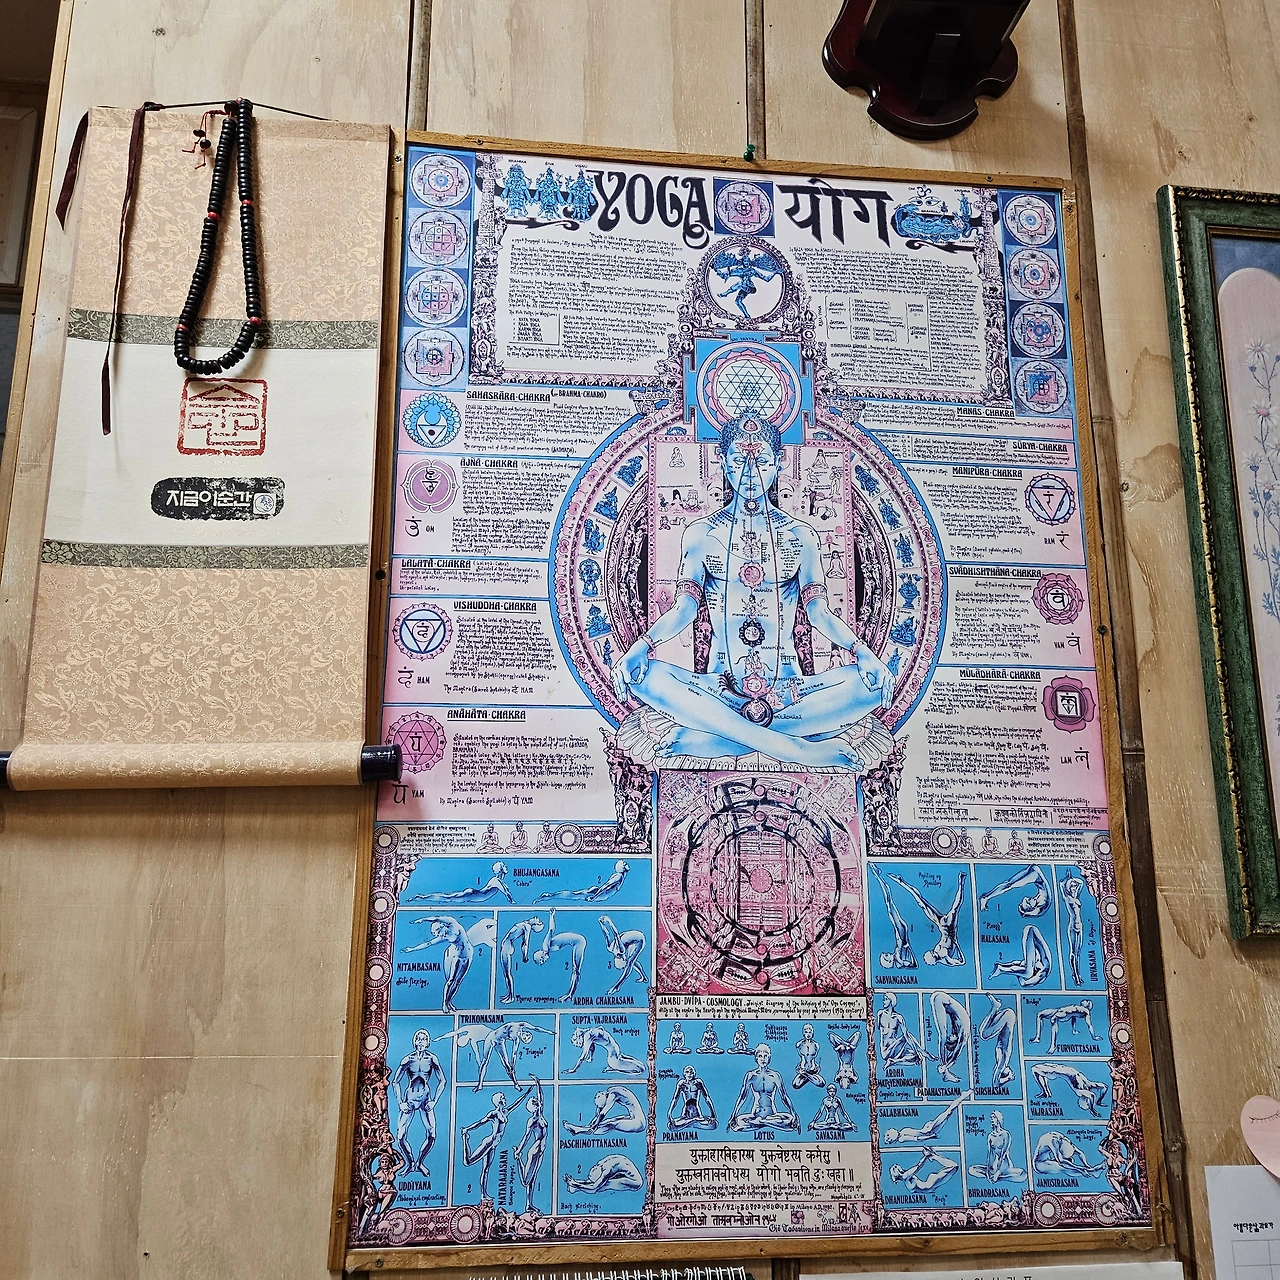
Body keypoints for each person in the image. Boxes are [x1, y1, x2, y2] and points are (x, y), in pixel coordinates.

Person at [611, 413, 895, 770]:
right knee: (644, 676)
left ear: (778, 462)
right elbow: (684, 610)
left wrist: (862, 652)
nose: (750, 472)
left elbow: (819, 614)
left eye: (760, 460)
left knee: (871, 685)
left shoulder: (801, 535)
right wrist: (641, 646)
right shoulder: (701, 534)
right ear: (723, 462)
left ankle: (715, 739)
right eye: (738, 460)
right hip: (719, 688)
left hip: (789, 691)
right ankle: (800, 749)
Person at [880, 870, 968, 966]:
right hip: (950, 929)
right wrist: (956, 944)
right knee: (955, 908)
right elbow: (962, 961)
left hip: (941, 925)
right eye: (933, 953)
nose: (933, 952)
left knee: (922, 903)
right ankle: (961, 883)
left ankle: (902, 882)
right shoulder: (946, 960)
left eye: (932, 952)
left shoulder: (937, 952)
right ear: (934, 959)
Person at [391, 1029, 447, 1174]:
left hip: (425, 1099)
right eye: (419, 1039)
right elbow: (395, 1082)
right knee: (400, 1137)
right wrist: (400, 1103)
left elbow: (442, 1081)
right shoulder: (408, 1060)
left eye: (424, 1039)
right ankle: (410, 1163)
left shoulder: (432, 1059)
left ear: (428, 1042)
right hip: (410, 1099)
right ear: (414, 1042)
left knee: (432, 1135)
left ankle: (420, 1163)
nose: (421, 1041)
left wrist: (434, 1101)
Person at [403, 915, 474, 1013]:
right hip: (458, 956)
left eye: (438, 933)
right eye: (437, 935)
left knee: (458, 981)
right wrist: (412, 949)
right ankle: (445, 1003)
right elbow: (428, 943)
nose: (440, 936)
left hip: (468, 954)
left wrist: (423, 919)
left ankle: (449, 1001)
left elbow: (436, 918)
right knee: (451, 980)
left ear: (441, 927)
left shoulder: (453, 924)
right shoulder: (444, 936)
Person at [461, 1089, 520, 1199]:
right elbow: (480, 1123)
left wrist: (527, 1093)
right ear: (498, 1101)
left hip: (494, 1145)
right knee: (468, 1162)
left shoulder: (505, 1112)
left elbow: (516, 1103)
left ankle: (483, 1194)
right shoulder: (493, 1114)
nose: (505, 1099)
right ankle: (465, 1139)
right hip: (489, 1143)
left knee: (486, 1169)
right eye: (503, 1098)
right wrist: (467, 1129)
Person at [728, 1044, 800, 1132]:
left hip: (772, 1115)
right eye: (760, 1056)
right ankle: (765, 1122)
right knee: (739, 1121)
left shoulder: (775, 1075)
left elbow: (784, 1097)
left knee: (789, 1118)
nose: (763, 1059)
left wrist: (794, 1114)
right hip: (756, 1115)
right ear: (756, 1058)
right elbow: (743, 1097)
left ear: (769, 1058)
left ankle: (761, 1122)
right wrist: (734, 1114)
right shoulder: (751, 1075)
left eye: (765, 1056)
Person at [470, 1021, 553, 1091]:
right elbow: (535, 1028)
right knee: (484, 1061)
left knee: (507, 1066)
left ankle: (516, 1084)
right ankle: (480, 1085)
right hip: (491, 1037)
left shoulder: (516, 1039)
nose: (526, 1037)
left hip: (499, 1042)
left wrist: (512, 1066)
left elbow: (514, 1054)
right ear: (527, 1032)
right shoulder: (521, 1025)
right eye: (528, 1036)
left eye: (525, 1039)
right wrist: (548, 1032)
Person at [532, 909, 586, 1000]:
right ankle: (570, 994)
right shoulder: (548, 950)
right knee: (575, 969)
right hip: (576, 942)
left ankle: (570, 995)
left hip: (579, 942)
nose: (544, 961)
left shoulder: (545, 947)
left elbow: (551, 930)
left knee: (576, 970)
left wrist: (551, 916)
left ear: (541, 956)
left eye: (542, 961)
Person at [512, 1078, 548, 1214]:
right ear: (533, 1107)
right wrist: (519, 1150)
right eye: (535, 1102)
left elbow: (541, 1096)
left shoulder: (541, 1115)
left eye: (537, 1102)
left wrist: (538, 1083)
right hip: (534, 1151)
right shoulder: (532, 1121)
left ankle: (529, 1205)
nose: (538, 1102)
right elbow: (526, 1137)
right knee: (525, 1181)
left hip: (540, 1151)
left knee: (533, 1179)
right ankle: (518, 1159)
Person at [871, 863, 917, 970]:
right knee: (889, 904)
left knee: (889, 904)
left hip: (901, 932)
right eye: (886, 956)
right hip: (901, 933)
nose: (887, 953)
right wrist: (905, 956)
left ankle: (879, 877)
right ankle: (878, 877)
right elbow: (914, 965)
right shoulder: (899, 962)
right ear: (889, 961)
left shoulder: (897, 959)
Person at [410, 860, 514, 905]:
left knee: (448, 898)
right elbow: (506, 892)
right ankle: (422, 897)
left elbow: (506, 889)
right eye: (504, 866)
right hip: (472, 894)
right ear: (500, 869)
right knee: (448, 898)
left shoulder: (497, 881)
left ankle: (422, 897)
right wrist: (512, 901)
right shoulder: (496, 881)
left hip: (473, 894)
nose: (506, 867)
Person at [882, 1093, 969, 1145]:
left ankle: (962, 1096)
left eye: (888, 1134)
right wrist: (930, 1137)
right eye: (889, 1137)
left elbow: (918, 1135)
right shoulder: (901, 1139)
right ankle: (962, 1097)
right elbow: (917, 1139)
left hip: (928, 1129)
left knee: (948, 1112)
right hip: (929, 1131)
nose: (890, 1132)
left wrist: (930, 1135)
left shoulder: (902, 1132)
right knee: (948, 1113)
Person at [967, 1110, 1026, 1183]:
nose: (991, 1119)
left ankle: (1000, 1177)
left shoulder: (1005, 1134)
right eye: (991, 1118)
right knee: (971, 1169)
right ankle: (995, 1177)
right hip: (993, 1166)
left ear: (998, 1119)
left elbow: (1003, 1155)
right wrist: (988, 1172)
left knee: (1022, 1174)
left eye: (994, 1117)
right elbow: (990, 1155)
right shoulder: (990, 1136)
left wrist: (997, 1173)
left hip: (1004, 1165)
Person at [1030, 1063, 1109, 1117]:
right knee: (1036, 1068)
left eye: (1088, 1104)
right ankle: (1045, 1092)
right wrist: (1098, 1102)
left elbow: (1092, 1096)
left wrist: (1092, 1109)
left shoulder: (1079, 1092)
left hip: (1057, 1071)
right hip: (1062, 1068)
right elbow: (1104, 1087)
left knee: (1035, 1069)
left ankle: (1045, 1092)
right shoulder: (1089, 1086)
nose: (1091, 1103)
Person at [565, 1025, 646, 1076]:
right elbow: (592, 1046)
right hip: (616, 1054)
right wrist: (591, 1057)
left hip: (614, 1059)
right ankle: (614, 1068)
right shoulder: (592, 1031)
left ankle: (614, 1069)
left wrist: (573, 1070)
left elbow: (583, 1057)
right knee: (641, 1068)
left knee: (641, 1069)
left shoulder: (587, 1036)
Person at [565, 1086, 648, 1135]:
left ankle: (579, 1130)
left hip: (639, 1124)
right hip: (633, 1118)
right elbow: (599, 1112)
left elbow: (603, 1113)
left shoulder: (613, 1094)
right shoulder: (609, 1091)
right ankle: (582, 1129)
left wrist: (595, 1125)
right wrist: (594, 1122)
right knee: (608, 1121)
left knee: (611, 1124)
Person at [535, 860, 630, 903]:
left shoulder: (620, 876)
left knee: (575, 894)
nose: (627, 865)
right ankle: (549, 896)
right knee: (574, 895)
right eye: (625, 864)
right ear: (621, 867)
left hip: (599, 894)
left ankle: (550, 895)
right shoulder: (619, 876)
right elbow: (605, 886)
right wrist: (594, 898)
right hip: (599, 894)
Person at [989, 924, 1053, 987]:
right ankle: (1001, 970)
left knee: (1027, 971)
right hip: (1031, 932)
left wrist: (1003, 965)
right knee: (1028, 973)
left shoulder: (1035, 965)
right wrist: (1018, 974)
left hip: (1031, 932)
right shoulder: (1042, 972)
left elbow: (1015, 964)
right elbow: (1024, 984)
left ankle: (1000, 968)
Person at [499, 916, 544, 1004]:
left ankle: (511, 997)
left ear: (535, 925)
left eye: (538, 921)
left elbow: (525, 943)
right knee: (506, 974)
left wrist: (525, 956)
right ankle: (508, 994)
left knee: (508, 974)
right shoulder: (525, 924)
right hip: (506, 947)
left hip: (507, 948)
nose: (536, 918)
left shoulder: (527, 927)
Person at [976, 993, 1017, 1087]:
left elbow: (995, 1083)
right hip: (1008, 1017)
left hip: (1008, 1017)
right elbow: (996, 1081)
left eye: (1009, 1072)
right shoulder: (1003, 1060)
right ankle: (995, 1007)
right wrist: (1008, 1077)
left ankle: (995, 1007)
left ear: (1004, 1072)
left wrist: (1009, 1078)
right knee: (983, 1034)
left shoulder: (1002, 1062)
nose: (1011, 1070)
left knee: (983, 1034)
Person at [599, 915, 648, 993]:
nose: (625, 958)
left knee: (630, 962)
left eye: (624, 960)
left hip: (639, 939)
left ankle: (617, 987)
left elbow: (616, 934)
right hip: (633, 938)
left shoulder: (621, 950)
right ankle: (644, 977)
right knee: (631, 961)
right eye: (625, 960)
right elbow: (606, 934)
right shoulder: (610, 948)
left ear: (621, 958)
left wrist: (609, 921)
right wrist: (602, 924)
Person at [979, 865, 1051, 918]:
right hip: (1035, 874)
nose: (1031, 898)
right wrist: (1024, 913)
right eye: (1029, 901)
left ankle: (986, 897)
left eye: (1028, 900)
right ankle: (985, 897)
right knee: (1008, 885)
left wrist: (1023, 911)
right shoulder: (1041, 907)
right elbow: (1034, 913)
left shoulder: (1039, 903)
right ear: (1033, 908)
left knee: (1009, 884)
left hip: (1035, 875)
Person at [877, 992, 927, 1066]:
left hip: (896, 1049)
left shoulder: (898, 1018)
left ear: (891, 1001)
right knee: (907, 1036)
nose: (883, 1001)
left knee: (916, 1057)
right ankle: (923, 1052)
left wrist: (916, 1053)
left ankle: (894, 1061)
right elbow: (878, 1027)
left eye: (886, 999)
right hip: (885, 1051)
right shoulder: (880, 1014)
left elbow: (906, 1036)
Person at [930, 992, 970, 1085]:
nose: (949, 1037)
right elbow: (955, 1055)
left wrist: (945, 1065)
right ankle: (946, 1073)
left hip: (942, 1000)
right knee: (943, 1037)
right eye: (950, 1040)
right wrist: (945, 1066)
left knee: (943, 1036)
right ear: (955, 1041)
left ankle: (946, 1073)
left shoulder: (959, 1034)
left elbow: (953, 1056)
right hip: (940, 999)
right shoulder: (963, 1036)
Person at [1032, 999, 1100, 1052]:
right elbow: (1073, 1017)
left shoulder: (1086, 1010)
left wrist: (1094, 1037)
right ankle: (1037, 1038)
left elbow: (1089, 1025)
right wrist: (1074, 1030)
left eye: (1087, 1001)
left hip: (1064, 1014)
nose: (1085, 1000)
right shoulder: (1079, 1008)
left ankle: (1053, 1045)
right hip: (1058, 1010)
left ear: (1088, 1005)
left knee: (1053, 1019)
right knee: (1039, 1014)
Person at [1033, 1130, 1107, 1176]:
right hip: (1039, 1164)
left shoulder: (1065, 1141)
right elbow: (1061, 1161)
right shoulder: (1053, 1141)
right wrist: (1080, 1169)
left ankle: (1091, 1170)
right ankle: (1093, 1172)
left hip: (1048, 1159)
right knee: (1064, 1167)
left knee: (1069, 1164)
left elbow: (1080, 1153)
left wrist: (1086, 1164)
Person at [667, 1066, 717, 1130]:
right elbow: (675, 1099)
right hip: (686, 1114)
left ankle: (692, 1121)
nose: (689, 1074)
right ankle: (693, 1121)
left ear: (694, 1074)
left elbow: (707, 1097)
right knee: (671, 1126)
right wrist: (669, 1113)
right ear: (684, 1074)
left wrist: (713, 1114)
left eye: (691, 1072)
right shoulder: (681, 1083)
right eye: (687, 1072)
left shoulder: (698, 1082)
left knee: (714, 1125)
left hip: (697, 1113)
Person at [563, 1154, 644, 1194]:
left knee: (605, 1185)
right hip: (622, 1172)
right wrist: (575, 1182)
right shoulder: (601, 1164)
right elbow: (593, 1182)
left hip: (635, 1182)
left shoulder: (607, 1171)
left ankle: (576, 1188)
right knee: (600, 1183)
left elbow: (593, 1188)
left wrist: (576, 1184)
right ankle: (575, 1186)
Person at [888, 1149, 960, 1193]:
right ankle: (933, 1156)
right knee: (954, 1166)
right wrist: (926, 1156)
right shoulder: (905, 1176)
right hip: (930, 1184)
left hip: (930, 1187)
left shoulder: (906, 1182)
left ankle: (933, 1156)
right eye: (896, 1167)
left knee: (953, 1167)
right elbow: (918, 1166)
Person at [1061, 875, 1087, 984]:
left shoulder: (1076, 897)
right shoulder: (1068, 898)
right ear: (1068, 888)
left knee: (1078, 952)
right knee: (1073, 953)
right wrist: (1066, 881)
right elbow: (1061, 885)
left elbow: (1081, 882)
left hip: (1080, 926)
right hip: (1072, 927)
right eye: (1072, 886)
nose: (1074, 887)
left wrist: (1072, 880)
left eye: (1075, 886)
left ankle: (1078, 973)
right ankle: (1075, 975)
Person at [793, 1023, 825, 1089]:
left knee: (822, 1083)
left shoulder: (816, 1045)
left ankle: (807, 1076)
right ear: (803, 1033)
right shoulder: (799, 1044)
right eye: (806, 1032)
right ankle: (809, 1077)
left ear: (812, 1033)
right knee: (795, 1085)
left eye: (810, 1032)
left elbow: (817, 1058)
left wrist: (816, 1068)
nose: (808, 1034)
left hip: (813, 1070)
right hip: (803, 1069)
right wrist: (801, 1070)